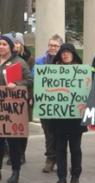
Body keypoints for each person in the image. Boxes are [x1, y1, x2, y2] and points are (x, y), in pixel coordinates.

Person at [51, 43, 87, 183]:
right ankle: (61, 177)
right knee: (59, 148)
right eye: (63, 52)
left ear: (73, 54)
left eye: (68, 52)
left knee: (75, 148)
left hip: (75, 117)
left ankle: (75, 176)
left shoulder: (81, 71)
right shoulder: (52, 71)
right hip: (58, 116)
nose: (65, 55)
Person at [0, 34, 33, 183]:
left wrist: (17, 84)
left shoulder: (19, 62)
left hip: (12, 110)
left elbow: (29, 80)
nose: (1, 47)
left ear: (11, 47)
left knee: (13, 143)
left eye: (4, 44)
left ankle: (15, 171)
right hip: (1, 108)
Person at [34, 34, 63, 173]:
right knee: (48, 131)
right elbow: (35, 77)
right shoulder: (40, 61)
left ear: (60, 47)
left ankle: (60, 157)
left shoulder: (65, 62)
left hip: (61, 103)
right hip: (45, 102)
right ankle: (50, 158)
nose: (53, 48)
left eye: (56, 46)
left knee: (60, 132)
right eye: (51, 45)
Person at [6, 32, 34, 166]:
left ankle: (20, 154)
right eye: (14, 43)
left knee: (20, 128)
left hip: (23, 98)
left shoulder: (27, 59)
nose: (16, 45)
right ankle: (12, 153)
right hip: (6, 99)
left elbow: (30, 80)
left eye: (18, 42)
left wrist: (18, 85)